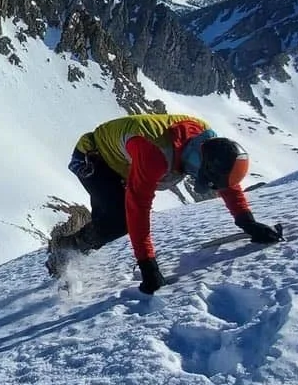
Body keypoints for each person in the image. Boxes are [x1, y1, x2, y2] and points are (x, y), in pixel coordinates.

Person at [52, 113, 284, 293]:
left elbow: (226, 181)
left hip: (122, 159)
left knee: (112, 220)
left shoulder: (209, 143)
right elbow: (138, 208)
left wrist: (248, 222)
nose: (196, 178)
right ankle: (65, 249)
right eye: (201, 175)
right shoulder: (155, 155)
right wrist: (147, 265)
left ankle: (73, 247)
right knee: (118, 221)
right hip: (92, 157)